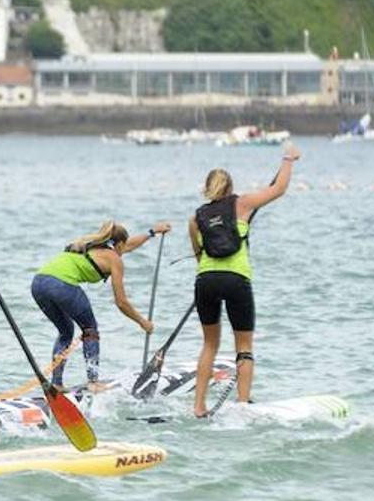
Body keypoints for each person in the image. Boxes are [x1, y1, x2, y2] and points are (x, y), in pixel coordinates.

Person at [190, 144, 301, 417]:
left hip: (205, 280)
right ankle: (242, 404)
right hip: (237, 279)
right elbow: (278, 190)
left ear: (207, 187)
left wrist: (210, 277)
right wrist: (288, 159)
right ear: (229, 187)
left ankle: (198, 406)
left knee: (209, 344)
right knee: (244, 345)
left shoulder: (196, 218)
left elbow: (198, 254)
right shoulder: (243, 204)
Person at [31, 219, 171, 390]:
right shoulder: (114, 259)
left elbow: (129, 245)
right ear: (118, 244)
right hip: (61, 285)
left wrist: (152, 232)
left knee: (66, 332)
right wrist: (143, 322)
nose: (125, 250)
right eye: (123, 246)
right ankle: (93, 383)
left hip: (38, 283)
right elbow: (121, 302)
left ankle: (57, 384)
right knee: (90, 330)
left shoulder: (87, 246)